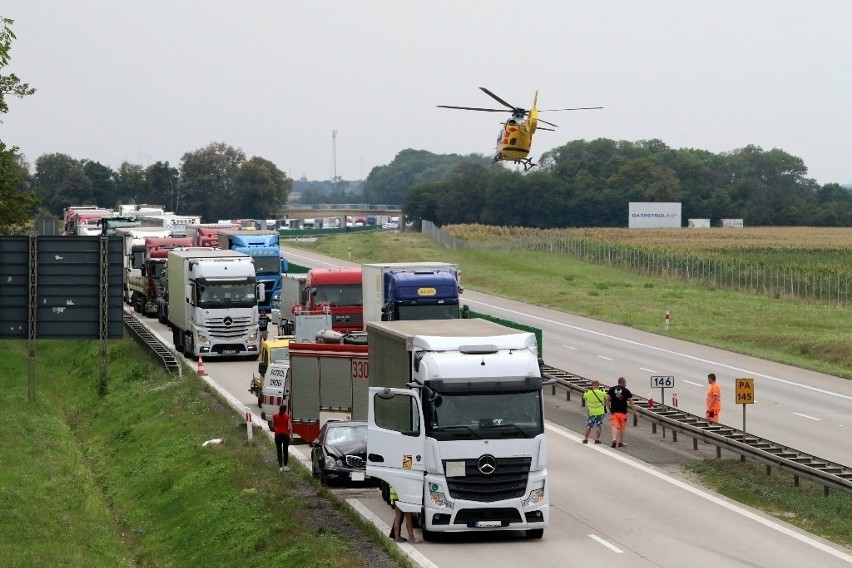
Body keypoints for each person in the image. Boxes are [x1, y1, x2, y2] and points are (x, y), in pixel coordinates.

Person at [605, 376, 638, 448]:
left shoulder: (612, 389)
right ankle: (621, 442)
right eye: (625, 382)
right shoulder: (626, 391)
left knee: (614, 426)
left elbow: (606, 398)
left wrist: (608, 407)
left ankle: (614, 439)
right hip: (623, 413)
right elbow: (631, 402)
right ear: (623, 383)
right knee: (622, 427)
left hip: (614, 412)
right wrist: (635, 411)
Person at [582, 380, 607, 444]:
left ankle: (585, 439)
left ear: (592, 385)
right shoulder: (602, 392)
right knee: (599, 426)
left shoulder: (588, 393)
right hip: (600, 412)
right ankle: (597, 439)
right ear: (598, 385)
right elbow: (606, 398)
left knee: (589, 426)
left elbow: (584, 397)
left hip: (591, 412)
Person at [273, 404, 292, 471]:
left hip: (278, 435)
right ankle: (285, 466)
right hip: (285, 435)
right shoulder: (287, 417)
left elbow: (273, 425)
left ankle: (280, 466)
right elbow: (290, 427)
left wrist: (276, 430)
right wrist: (291, 436)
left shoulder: (275, 416)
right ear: (285, 410)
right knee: (285, 450)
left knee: (279, 451)